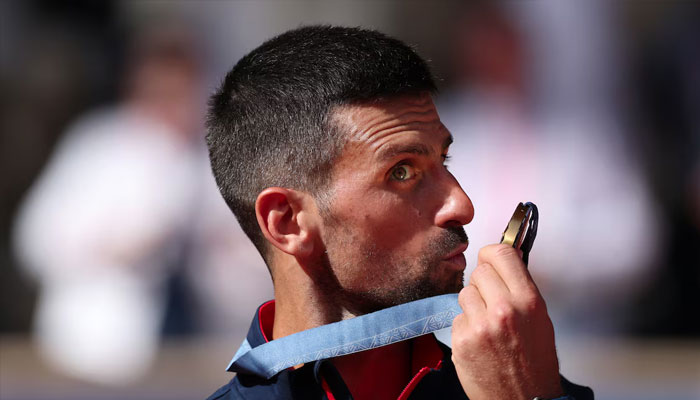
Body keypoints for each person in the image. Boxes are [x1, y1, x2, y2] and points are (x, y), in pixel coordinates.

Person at [205, 26, 593, 400]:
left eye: (445, 159)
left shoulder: (515, 386)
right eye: (402, 172)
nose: (462, 205)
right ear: (288, 222)